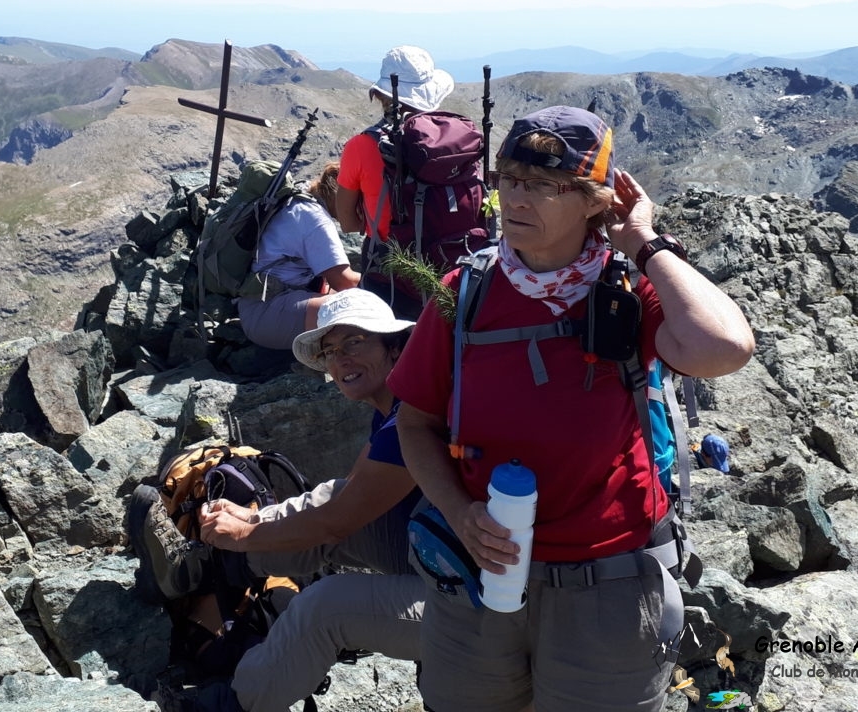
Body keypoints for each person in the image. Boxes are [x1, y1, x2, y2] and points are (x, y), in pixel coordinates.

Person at [389, 106, 755, 712]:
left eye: (544, 185)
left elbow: (726, 347)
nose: (516, 198)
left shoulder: (627, 292)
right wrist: (459, 513)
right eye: (510, 178)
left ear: (593, 202)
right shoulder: (465, 292)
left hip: (609, 583)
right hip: (478, 574)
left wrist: (644, 243)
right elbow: (414, 422)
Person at [133, 289, 426, 712]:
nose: (340, 359)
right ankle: (200, 569)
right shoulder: (394, 407)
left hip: (475, 606)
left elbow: (337, 524)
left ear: (393, 346)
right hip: (437, 560)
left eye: (355, 342)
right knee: (333, 495)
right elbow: (349, 496)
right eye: (330, 351)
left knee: (326, 608)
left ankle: (232, 704)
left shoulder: (411, 418)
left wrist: (245, 533)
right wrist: (252, 523)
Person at [334, 46, 457, 312]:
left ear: (380, 95)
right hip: (453, 259)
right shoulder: (455, 141)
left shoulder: (361, 146)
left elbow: (348, 222)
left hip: (389, 270)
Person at [235, 161, 359, 351]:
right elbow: (345, 282)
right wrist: (390, 284)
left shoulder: (303, 198)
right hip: (264, 314)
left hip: (260, 305)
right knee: (358, 307)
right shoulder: (314, 219)